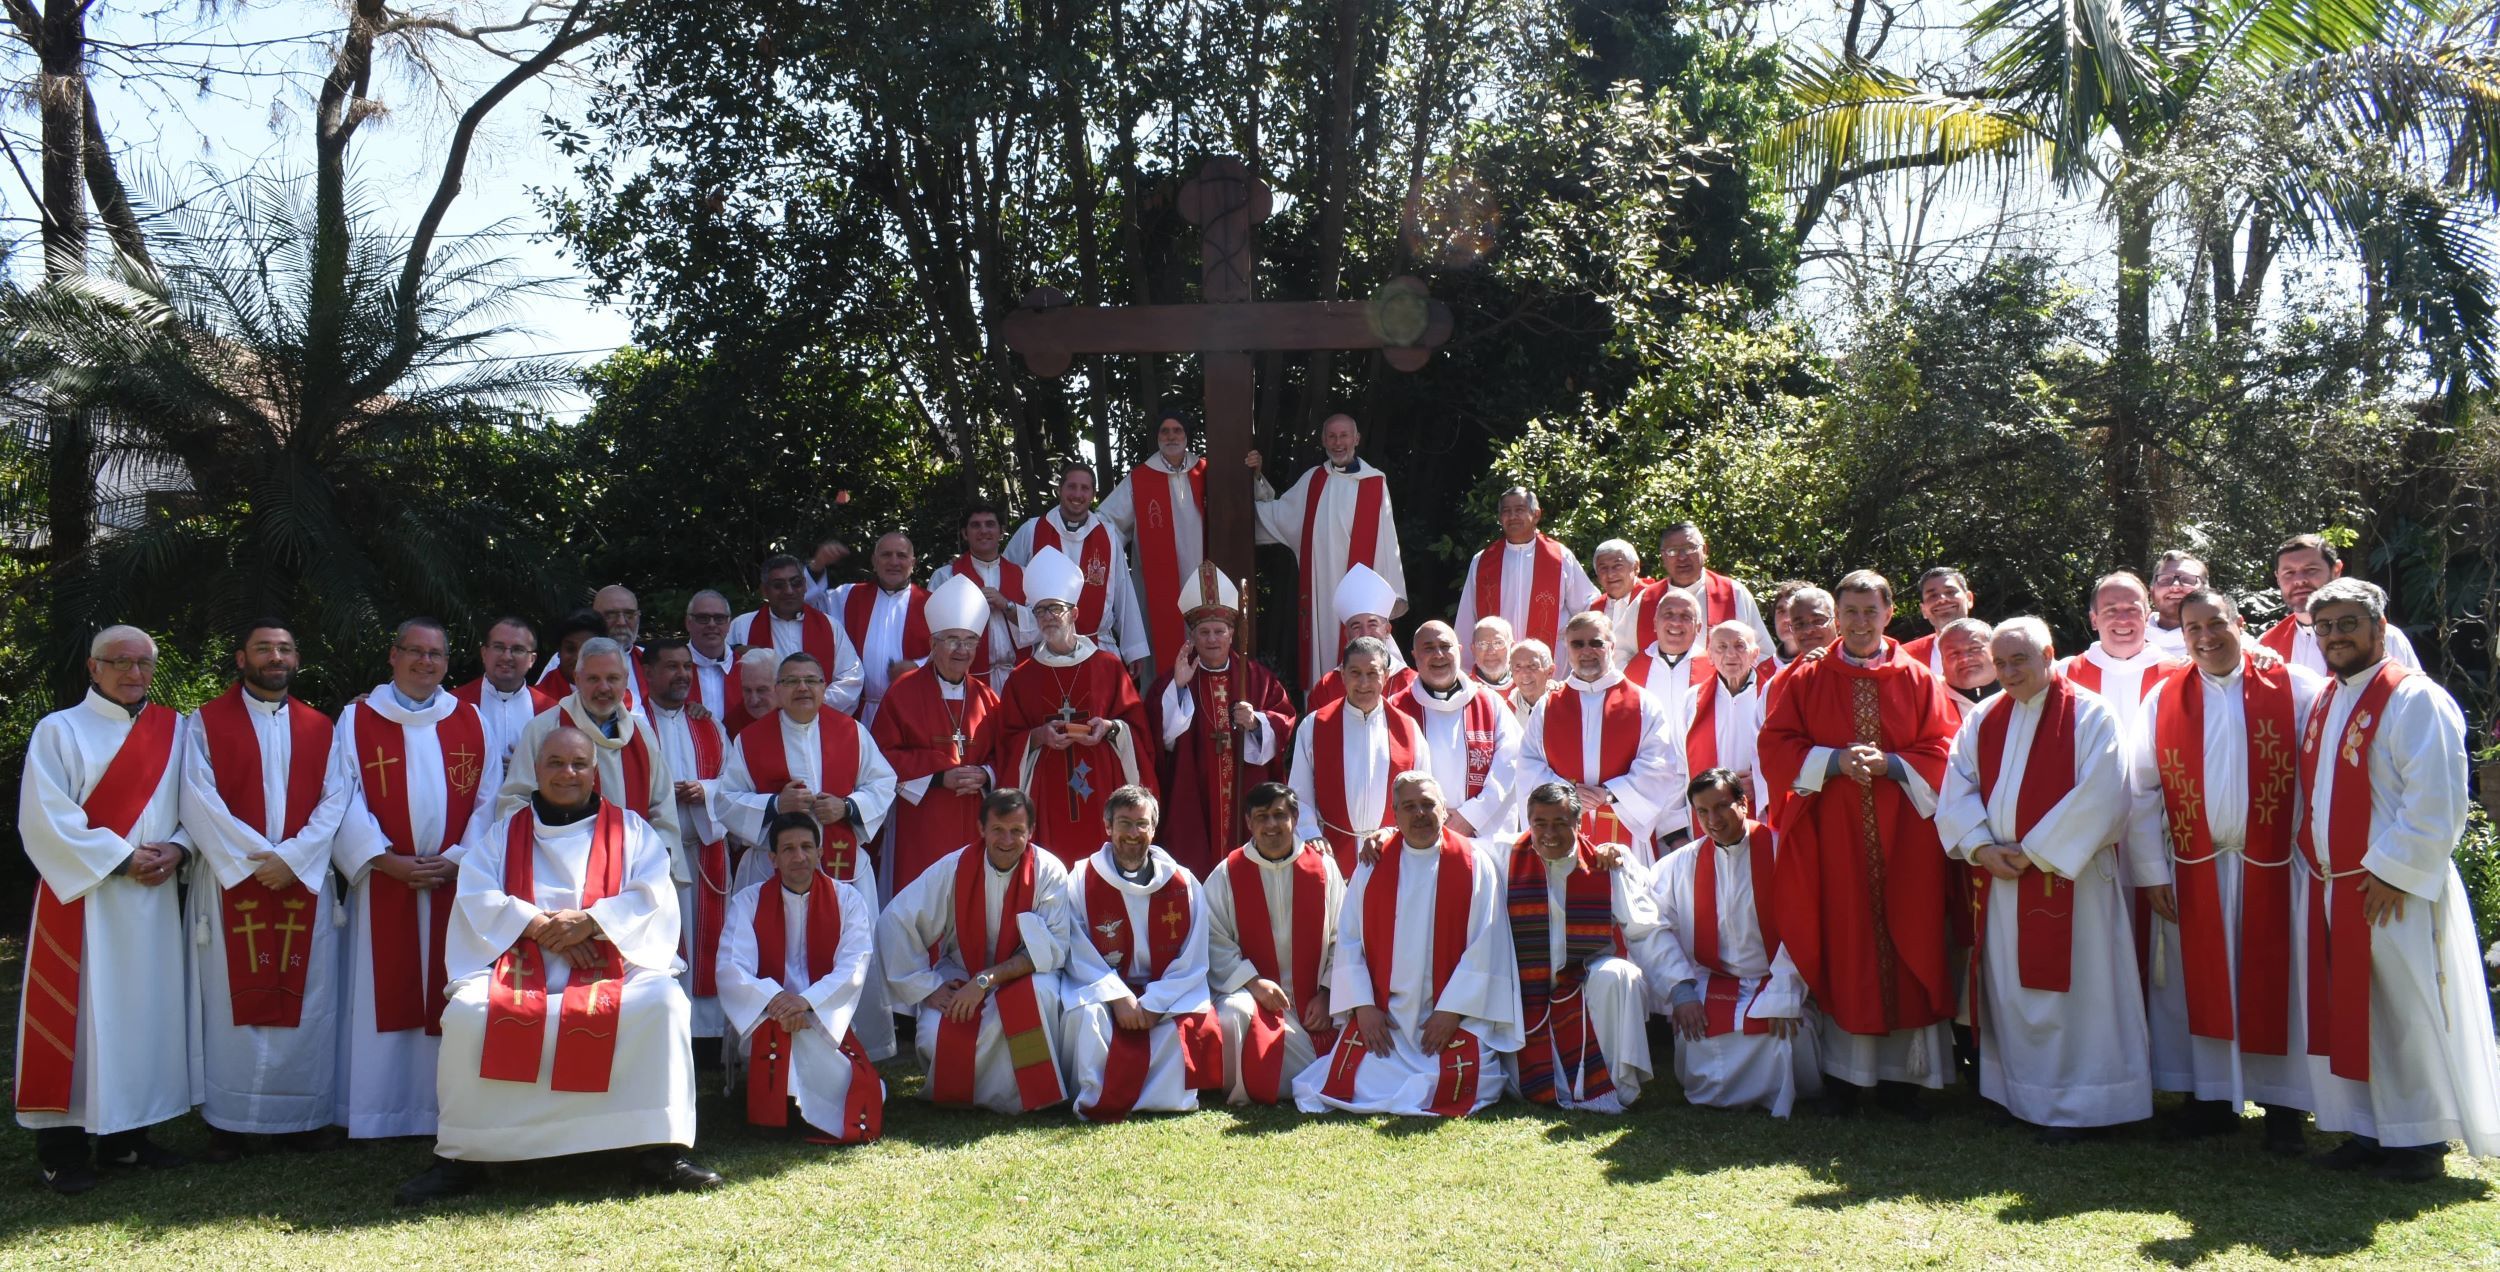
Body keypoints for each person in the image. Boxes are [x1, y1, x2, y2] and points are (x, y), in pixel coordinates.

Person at [396, 728, 715, 1205]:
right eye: (555, 763)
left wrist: (589, 922)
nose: (567, 773)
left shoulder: (629, 830)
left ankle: (657, 1151)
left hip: (611, 960)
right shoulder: (504, 834)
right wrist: (537, 924)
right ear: (536, 770)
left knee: (664, 1003)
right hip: (520, 963)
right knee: (467, 1013)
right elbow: (477, 895)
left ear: (594, 771)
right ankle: (464, 1156)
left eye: (578, 764)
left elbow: (653, 895)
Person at [2294, 579, 2499, 1178]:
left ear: (2379, 629)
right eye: (2325, 627)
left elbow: (2437, 800)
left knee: (2406, 1011)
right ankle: (2369, 1129)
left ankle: (2419, 1141)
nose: (2336, 636)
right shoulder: (2329, 701)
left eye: (2348, 623)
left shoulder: (2415, 699)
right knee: (2358, 1013)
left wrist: (2394, 873)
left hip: (2395, 889)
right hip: (2336, 884)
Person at [1938, 618, 2151, 1143]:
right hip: (2004, 881)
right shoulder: (1985, 716)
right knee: (2014, 995)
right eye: (2001, 662)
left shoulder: (2090, 713)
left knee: (2081, 996)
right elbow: (1957, 785)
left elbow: (2106, 793)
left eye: (2020, 660)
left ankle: (2087, 1105)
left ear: (2049, 655)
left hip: (2072, 881)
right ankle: (2019, 1095)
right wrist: (1983, 846)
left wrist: (2034, 853)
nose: (2009, 672)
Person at [2125, 589, 2322, 1151]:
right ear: (2180, 635)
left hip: (2277, 865)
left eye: (2216, 623)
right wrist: (2152, 870)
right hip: (2195, 865)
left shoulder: (2296, 688)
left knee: (2278, 985)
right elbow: (2141, 789)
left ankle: (2285, 1108)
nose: (2206, 637)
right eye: (2193, 629)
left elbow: (2320, 777)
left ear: (2239, 621)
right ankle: (2209, 1099)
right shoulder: (2164, 698)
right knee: (2197, 983)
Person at [1758, 571, 1957, 1118]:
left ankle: (1907, 1079)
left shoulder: (1919, 679)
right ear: (1837, 616)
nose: (1860, 622)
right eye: (1850, 612)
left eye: (1871, 611)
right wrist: (1832, 761)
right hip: (1834, 836)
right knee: (1847, 941)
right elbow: (1776, 746)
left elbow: (1945, 751)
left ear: (1890, 614)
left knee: (1908, 936)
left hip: (1907, 838)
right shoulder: (1805, 678)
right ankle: (1847, 1078)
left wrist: (1894, 764)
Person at [16, 625, 193, 1193]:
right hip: (84, 899)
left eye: (143, 663)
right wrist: (121, 859)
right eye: (119, 661)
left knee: (140, 1017)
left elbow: (201, 801)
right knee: (80, 1018)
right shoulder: (60, 729)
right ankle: (62, 1150)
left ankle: (126, 1142)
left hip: (153, 898)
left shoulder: (178, 730)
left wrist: (181, 845)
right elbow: (45, 816)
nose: (132, 673)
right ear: (93, 668)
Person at [180, 621, 348, 1160]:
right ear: (240, 658)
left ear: (296, 659)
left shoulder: (322, 726)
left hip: (303, 881)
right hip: (235, 884)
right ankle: (229, 1123)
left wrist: (293, 858)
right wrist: (257, 862)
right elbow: (196, 795)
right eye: (263, 649)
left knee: (309, 1001)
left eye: (284, 649)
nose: (275, 657)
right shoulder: (204, 723)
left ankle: (303, 1120)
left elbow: (337, 797)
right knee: (231, 1001)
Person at [329, 617, 500, 1142]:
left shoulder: (469, 718)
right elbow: (341, 795)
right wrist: (382, 859)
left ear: (449, 663)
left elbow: (490, 799)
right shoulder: (357, 718)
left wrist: (458, 857)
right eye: (415, 652)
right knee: (384, 990)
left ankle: (441, 1108)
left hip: (453, 881)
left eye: (437, 655)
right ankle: (377, 1112)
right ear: (393, 655)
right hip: (385, 881)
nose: (425, 663)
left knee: (447, 988)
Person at [1295, 772, 1522, 1116]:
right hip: (1389, 1019)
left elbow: (1487, 944)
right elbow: (1350, 937)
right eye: (1409, 807)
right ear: (1395, 814)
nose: (1419, 814)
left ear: (1444, 810)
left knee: (1479, 1077)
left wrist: (1451, 1011)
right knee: (1362, 1076)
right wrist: (1363, 1007)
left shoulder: (1475, 864)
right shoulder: (1374, 864)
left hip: (1453, 1016)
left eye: (1428, 805)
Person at [877, 789, 1078, 1114]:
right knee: (933, 1034)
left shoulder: (1049, 871)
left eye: (1017, 831)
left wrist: (985, 981)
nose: (1007, 840)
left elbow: (1053, 949)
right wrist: (926, 988)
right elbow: (895, 920)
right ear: (981, 828)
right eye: (998, 829)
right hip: (961, 968)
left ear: (1031, 831)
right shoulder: (953, 868)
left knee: (1040, 999)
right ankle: (963, 1095)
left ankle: (1030, 1095)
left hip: (1024, 974)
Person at [1653, 770, 1821, 1116]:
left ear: (1743, 802)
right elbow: (1657, 928)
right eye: (1702, 812)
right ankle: (1714, 1096)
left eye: (1721, 807)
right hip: (1713, 979)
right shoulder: (1679, 866)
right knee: (1696, 1029)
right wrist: (1681, 992)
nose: (1713, 820)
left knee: (1782, 1030)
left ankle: (1779, 1096)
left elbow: (1804, 926)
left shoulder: (1781, 851)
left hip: (1776, 978)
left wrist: (1784, 993)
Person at [1491, 783, 1661, 1112]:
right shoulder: (1504, 855)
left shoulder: (1603, 863)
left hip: (1582, 981)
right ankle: (1543, 1082)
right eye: (1540, 823)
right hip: (1523, 989)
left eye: (1560, 823)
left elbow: (1644, 929)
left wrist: (1679, 989)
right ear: (1528, 822)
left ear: (1579, 824)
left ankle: (1611, 1085)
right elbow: (1446, 844)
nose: (1549, 833)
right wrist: (1386, 835)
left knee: (1621, 975)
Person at [720, 812, 884, 1145]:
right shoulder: (748, 902)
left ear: (820, 853)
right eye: (789, 849)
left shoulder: (847, 900)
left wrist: (807, 1002)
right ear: (773, 859)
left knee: (857, 1080)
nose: (799, 857)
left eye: (807, 847)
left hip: (822, 1013)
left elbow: (854, 964)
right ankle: (781, 1108)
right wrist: (776, 1001)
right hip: (768, 1014)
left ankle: (794, 1108)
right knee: (781, 1037)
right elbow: (732, 966)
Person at [1058, 787, 1221, 1120]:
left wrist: (1152, 1003)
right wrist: (1119, 998)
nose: (1133, 834)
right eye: (1125, 823)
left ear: (1153, 829)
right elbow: (1077, 949)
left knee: (1187, 1025)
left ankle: (1164, 1099)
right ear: (1108, 827)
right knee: (1084, 1018)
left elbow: (1192, 958)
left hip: (1165, 993)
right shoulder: (1081, 879)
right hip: (1105, 991)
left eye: (1142, 824)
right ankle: (1095, 1096)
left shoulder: (1184, 883)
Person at [1000, 546, 1158, 866]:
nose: (1046, 617)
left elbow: (1137, 726)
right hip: (1048, 791)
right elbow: (1006, 739)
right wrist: (1038, 736)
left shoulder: (1108, 666)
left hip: (1102, 783)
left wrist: (1110, 728)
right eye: (1039, 610)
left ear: (1073, 613)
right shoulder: (1022, 678)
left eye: (1054, 609)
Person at [717, 653, 896, 911]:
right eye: (791, 681)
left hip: (840, 862)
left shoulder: (852, 732)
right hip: (771, 868)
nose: (803, 688)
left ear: (824, 687)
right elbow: (726, 800)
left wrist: (846, 807)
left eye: (811, 680)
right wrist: (776, 804)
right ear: (778, 690)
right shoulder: (750, 739)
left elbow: (883, 784)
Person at [1147, 564, 1295, 875]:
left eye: (1219, 631)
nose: (1212, 639)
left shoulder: (1255, 678)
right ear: (1192, 636)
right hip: (1193, 791)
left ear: (1232, 634)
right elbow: (1161, 739)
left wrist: (1256, 722)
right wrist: (1179, 686)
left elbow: (1284, 720)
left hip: (1244, 788)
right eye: (1204, 632)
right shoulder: (1174, 680)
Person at [1205, 784, 1345, 1106]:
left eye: (1280, 815)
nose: (1271, 825)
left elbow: (1344, 937)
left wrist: (1327, 994)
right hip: (1256, 999)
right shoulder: (1228, 873)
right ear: (1249, 823)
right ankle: (1274, 1083)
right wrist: (1253, 984)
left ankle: (1286, 1075)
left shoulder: (1324, 869)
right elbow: (1214, 940)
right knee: (1234, 1013)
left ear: (1295, 818)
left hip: (1317, 1007)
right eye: (1262, 817)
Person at [1249, 413, 1409, 691]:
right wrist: (1254, 479)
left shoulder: (1375, 482)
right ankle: (1322, 720)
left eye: (1344, 435)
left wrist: (1387, 599)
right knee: (1322, 661)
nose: (1338, 443)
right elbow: (1276, 515)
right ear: (1323, 440)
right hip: (1320, 596)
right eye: (1332, 436)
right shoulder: (1313, 481)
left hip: (1361, 601)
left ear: (1356, 439)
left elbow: (1387, 542)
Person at [871, 574, 1004, 895]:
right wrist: (936, 776)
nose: (962, 650)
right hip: (922, 821)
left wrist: (985, 776)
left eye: (970, 640)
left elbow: (1006, 755)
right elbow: (879, 757)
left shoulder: (987, 699)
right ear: (932, 644)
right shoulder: (903, 692)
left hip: (975, 819)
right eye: (952, 640)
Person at [1520, 612, 1682, 866]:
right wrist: (1568, 794)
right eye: (1578, 644)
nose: (1587, 650)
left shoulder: (1643, 703)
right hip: (1562, 826)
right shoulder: (1547, 706)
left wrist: (1609, 794)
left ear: (1612, 646)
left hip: (1623, 824)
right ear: (1567, 649)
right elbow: (1528, 765)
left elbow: (1659, 763)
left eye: (1596, 642)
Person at [497, 638, 680, 850]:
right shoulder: (544, 729)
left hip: (631, 863)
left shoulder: (642, 735)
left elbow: (662, 809)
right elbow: (515, 801)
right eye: (593, 678)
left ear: (626, 679)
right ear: (577, 678)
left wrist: (658, 859)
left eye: (613, 678)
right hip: (559, 860)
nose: (604, 687)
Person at [641, 639, 735, 1048]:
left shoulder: (709, 725)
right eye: (671, 666)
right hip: (654, 855)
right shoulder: (632, 722)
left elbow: (735, 783)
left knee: (707, 940)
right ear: (647, 673)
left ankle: (708, 1034)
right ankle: (665, 1029)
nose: (681, 674)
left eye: (687, 667)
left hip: (703, 848)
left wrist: (706, 791)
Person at [1287, 636, 1424, 874]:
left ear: (1386, 675)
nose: (1363, 683)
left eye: (1372, 673)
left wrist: (1393, 832)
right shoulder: (1315, 725)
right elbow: (1299, 792)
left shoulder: (1408, 729)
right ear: (1342, 674)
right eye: (1355, 672)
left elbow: (1423, 790)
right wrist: (1310, 834)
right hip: (1332, 852)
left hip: (1392, 850)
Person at [1008, 462, 1153, 681]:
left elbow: (1124, 592)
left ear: (1093, 494)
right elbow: (1008, 579)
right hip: (1045, 648)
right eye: (1071, 487)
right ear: (1060, 490)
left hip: (1097, 647)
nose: (1077, 494)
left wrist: (1133, 649)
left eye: (1084, 488)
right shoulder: (1032, 530)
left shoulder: (1107, 535)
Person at [1390, 620, 1522, 839]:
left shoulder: (1489, 702)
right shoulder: (1396, 708)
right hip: (1418, 832)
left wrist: (1471, 816)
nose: (1439, 654)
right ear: (1414, 655)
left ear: (1459, 650)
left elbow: (1511, 762)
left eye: (1445, 646)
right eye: (1428, 648)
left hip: (1484, 834)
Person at [1100, 407, 1209, 671]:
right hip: (1158, 581)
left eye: (1177, 430)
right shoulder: (1140, 479)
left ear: (1187, 435)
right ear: (1157, 436)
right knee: (1161, 644)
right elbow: (1107, 520)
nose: (1171, 436)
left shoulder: (1206, 471)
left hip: (1201, 576)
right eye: (1164, 431)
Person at [1452, 487, 1596, 656]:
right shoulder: (1483, 560)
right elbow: (1467, 617)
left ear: (1536, 515)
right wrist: (1465, 669)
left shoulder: (1560, 557)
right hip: (1496, 664)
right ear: (1500, 517)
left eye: (1519, 510)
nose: (1512, 516)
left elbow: (1586, 607)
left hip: (1551, 662)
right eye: (1506, 511)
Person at [2258, 534, 2425, 675]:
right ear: (2277, 578)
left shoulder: (2380, 636)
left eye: (2311, 569)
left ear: (2336, 570)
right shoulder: (2267, 644)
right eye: (2289, 573)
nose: (2299, 580)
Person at [808, 531, 930, 724]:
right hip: (859, 712)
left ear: (913, 563)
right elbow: (807, 607)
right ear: (874, 561)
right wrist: (816, 567)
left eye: (901, 555)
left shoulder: (930, 603)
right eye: (886, 555)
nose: (894, 561)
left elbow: (948, 648)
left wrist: (918, 666)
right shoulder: (847, 596)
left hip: (910, 712)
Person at [732, 553, 865, 715]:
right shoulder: (742, 626)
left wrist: (808, 705)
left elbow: (851, 678)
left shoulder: (830, 626)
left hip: (818, 724)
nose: (789, 591)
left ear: (804, 585)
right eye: (778, 585)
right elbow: (727, 680)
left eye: (795, 583)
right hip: (761, 723)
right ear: (764, 590)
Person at [2058, 571, 2187, 738]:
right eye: (2111, 610)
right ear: (2094, 620)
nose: (2123, 619)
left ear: (2147, 617)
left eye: (2132, 609)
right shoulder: (2064, 675)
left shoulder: (2177, 675)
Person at [924, 503, 1035, 694]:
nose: (983, 530)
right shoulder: (946, 577)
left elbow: (1040, 626)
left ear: (1002, 532)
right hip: (968, 679)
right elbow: (932, 631)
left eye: (990, 524)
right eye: (975, 525)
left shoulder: (1024, 575)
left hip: (1018, 675)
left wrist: (1007, 606)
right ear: (965, 534)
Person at [1636, 522, 1775, 657]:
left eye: (1690, 548)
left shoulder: (1734, 593)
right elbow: (1621, 653)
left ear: (1705, 550)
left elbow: (1763, 654)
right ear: (1663, 556)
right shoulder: (1645, 599)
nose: (1682, 557)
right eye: (1672, 551)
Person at [1684, 621, 1770, 817]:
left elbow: (1788, 754)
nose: (1730, 654)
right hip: (1706, 815)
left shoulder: (1772, 695)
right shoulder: (1692, 699)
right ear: (1710, 655)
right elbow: (1678, 764)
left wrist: (1760, 782)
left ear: (1755, 654)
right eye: (1722, 647)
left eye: (1740, 646)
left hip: (1760, 811)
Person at [1306, 564, 1416, 710]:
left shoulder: (1413, 684)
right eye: (1356, 626)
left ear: (1388, 629)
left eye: (1372, 624)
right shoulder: (1327, 687)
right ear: (1347, 635)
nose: (1365, 634)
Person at [451, 616, 556, 768]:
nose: (507, 657)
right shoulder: (453, 704)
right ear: (484, 653)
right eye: (499, 647)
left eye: (518, 649)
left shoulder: (551, 711)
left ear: (532, 659)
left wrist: (530, 768)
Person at [1623, 586, 1706, 743]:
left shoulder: (1714, 669)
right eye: (1668, 614)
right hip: (1649, 764)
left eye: (1686, 616)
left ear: (1698, 628)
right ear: (1655, 623)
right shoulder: (1632, 670)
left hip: (1697, 764)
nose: (1676, 622)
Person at [1898, 568, 1977, 678]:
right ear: (1923, 610)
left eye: (1950, 592)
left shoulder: (1999, 646)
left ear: (1969, 599)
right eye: (1933, 595)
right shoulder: (1903, 657)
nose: (1942, 599)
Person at [1588, 540, 1649, 671]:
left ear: (1636, 567)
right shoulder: (1594, 609)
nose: (1610, 574)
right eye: (1603, 568)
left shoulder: (1655, 600)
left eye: (1617, 566)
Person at [683, 590, 740, 718]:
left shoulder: (746, 667)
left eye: (719, 619)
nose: (712, 624)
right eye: (703, 618)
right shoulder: (672, 667)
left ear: (729, 624)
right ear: (688, 623)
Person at [2145, 550, 2209, 658]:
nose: (2175, 587)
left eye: (2188, 580)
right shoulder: (2121, 641)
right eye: (2165, 579)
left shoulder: (2226, 643)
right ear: (2152, 592)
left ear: (2206, 591)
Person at [1937, 617, 1999, 723]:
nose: (1964, 659)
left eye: (1974, 648)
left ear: (1995, 650)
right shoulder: (1930, 701)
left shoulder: (2022, 692)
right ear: (1942, 661)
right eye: (1954, 653)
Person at [533, 609, 603, 701]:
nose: (578, 657)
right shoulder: (535, 702)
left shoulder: (622, 699)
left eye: (588, 649)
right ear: (558, 651)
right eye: (571, 649)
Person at [1507, 638, 1557, 728]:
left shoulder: (1563, 705)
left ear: (1550, 671)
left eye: (1532, 666)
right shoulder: (1505, 709)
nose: (1525, 673)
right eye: (1518, 666)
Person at [1471, 616, 1517, 695]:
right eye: (1482, 644)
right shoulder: (1464, 691)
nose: (1491, 651)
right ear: (1473, 649)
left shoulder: (1532, 687)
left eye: (1498, 643)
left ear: (1512, 647)